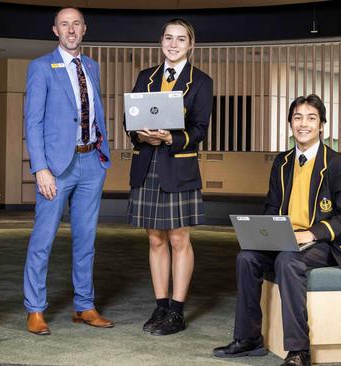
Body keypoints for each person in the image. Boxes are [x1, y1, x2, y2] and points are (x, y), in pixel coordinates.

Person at [211, 94, 341, 366]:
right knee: (246, 258)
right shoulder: (282, 162)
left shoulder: (339, 164)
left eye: (311, 118)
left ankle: (299, 351)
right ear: (290, 123)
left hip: (323, 243)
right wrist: (264, 232)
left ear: (321, 125)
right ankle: (249, 339)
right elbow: (271, 207)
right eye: (298, 117)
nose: (304, 124)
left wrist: (310, 234)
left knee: (287, 260)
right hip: (284, 239)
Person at [23, 7, 112, 335]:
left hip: (91, 163)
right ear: (55, 30)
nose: (71, 30)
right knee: (43, 238)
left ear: (84, 29)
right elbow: (32, 122)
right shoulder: (41, 68)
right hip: (57, 168)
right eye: (65, 24)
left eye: (76, 24)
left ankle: (84, 306)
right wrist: (40, 168)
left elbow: (95, 113)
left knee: (86, 239)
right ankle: (34, 309)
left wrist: (103, 155)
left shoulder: (92, 66)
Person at [125, 18, 213, 336]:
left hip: (179, 167)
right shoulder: (145, 76)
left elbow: (200, 130)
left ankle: (177, 311)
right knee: (155, 239)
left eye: (180, 39)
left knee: (179, 240)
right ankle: (160, 305)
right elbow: (129, 119)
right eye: (168, 38)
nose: (173, 44)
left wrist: (169, 138)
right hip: (147, 164)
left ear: (190, 45)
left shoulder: (201, 82)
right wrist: (143, 136)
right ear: (161, 41)